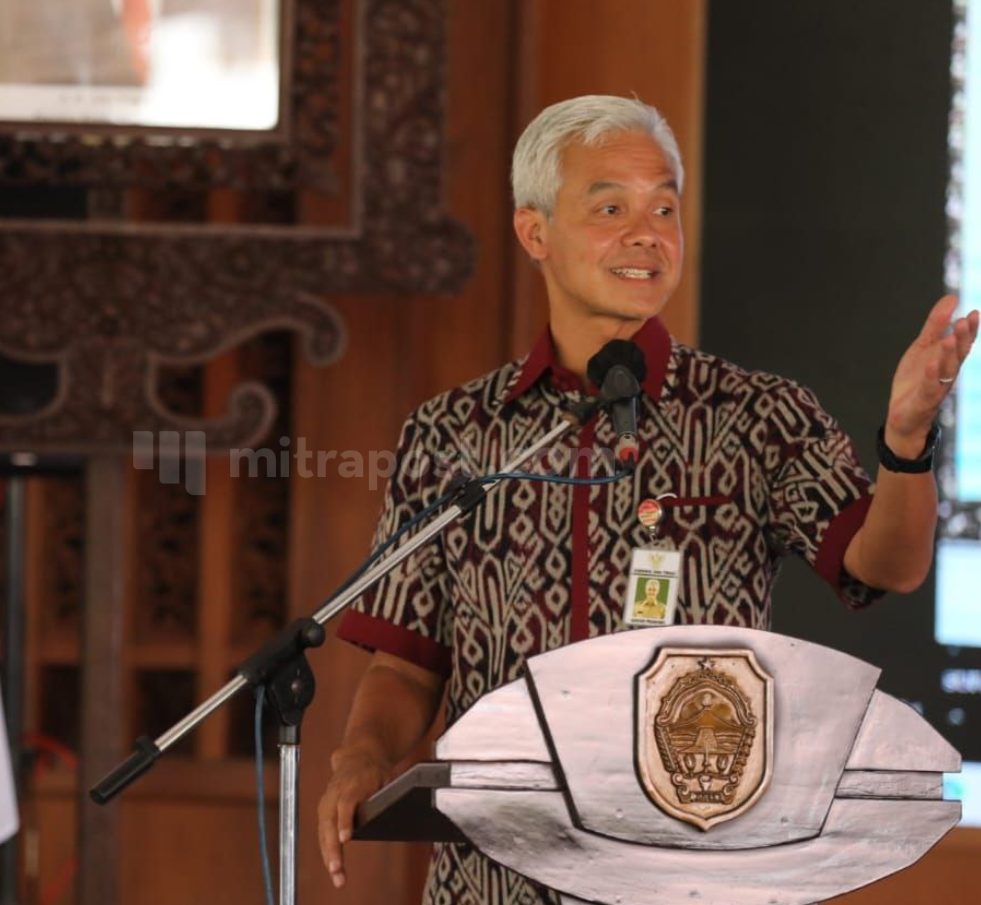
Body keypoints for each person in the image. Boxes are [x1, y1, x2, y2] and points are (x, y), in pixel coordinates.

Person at [316, 95, 978, 904]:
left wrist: (904, 444)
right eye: (609, 208)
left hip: (695, 878)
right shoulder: (455, 431)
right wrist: (361, 753)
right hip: (494, 882)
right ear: (535, 233)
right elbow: (406, 660)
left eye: (664, 206)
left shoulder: (756, 414)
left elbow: (885, 566)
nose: (646, 232)